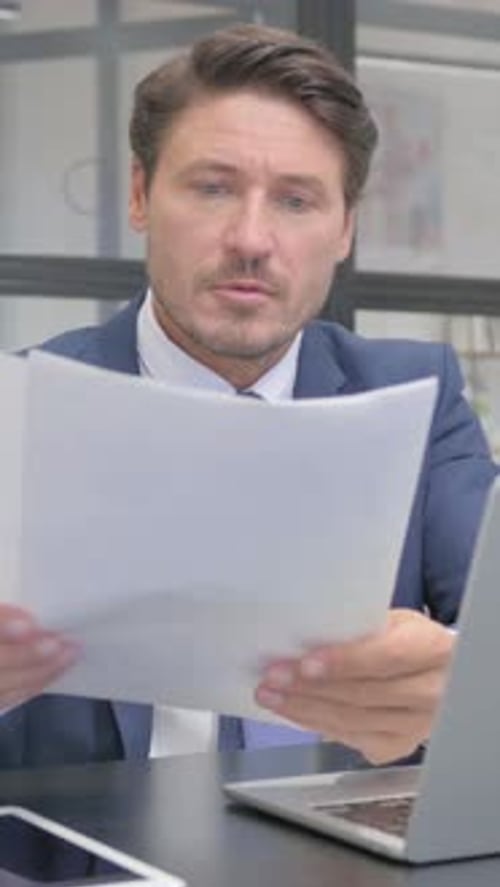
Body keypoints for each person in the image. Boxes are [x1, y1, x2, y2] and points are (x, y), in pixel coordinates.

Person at [0, 23, 496, 771]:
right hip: (87, 859)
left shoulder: (416, 394)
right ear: (140, 194)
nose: (251, 239)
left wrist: (449, 688)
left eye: (297, 201)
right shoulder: (24, 406)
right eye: (213, 187)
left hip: (338, 861)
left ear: (345, 230)